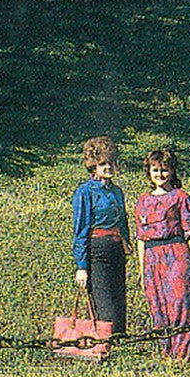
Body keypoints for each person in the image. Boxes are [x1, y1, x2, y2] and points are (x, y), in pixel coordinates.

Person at [135, 147, 190, 360]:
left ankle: (182, 356)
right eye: (155, 170)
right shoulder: (143, 200)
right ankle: (166, 354)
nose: (160, 175)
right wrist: (141, 269)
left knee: (180, 304)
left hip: (177, 254)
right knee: (158, 306)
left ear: (172, 171)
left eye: (164, 170)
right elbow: (140, 239)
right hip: (153, 257)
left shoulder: (182, 197)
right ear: (149, 172)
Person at [71, 136, 133, 336]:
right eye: (103, 163)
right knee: (103, 300)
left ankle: (120, 341)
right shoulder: (85, 192)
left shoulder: (117, 191)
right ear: (93, 166)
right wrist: (82, 266)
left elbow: (123, 221)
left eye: (111, 163)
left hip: (116, 249)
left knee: (118, 298)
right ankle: (103, 344)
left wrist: (126, 243)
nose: (108, 167)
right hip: (97, 249)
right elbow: (81, 230)